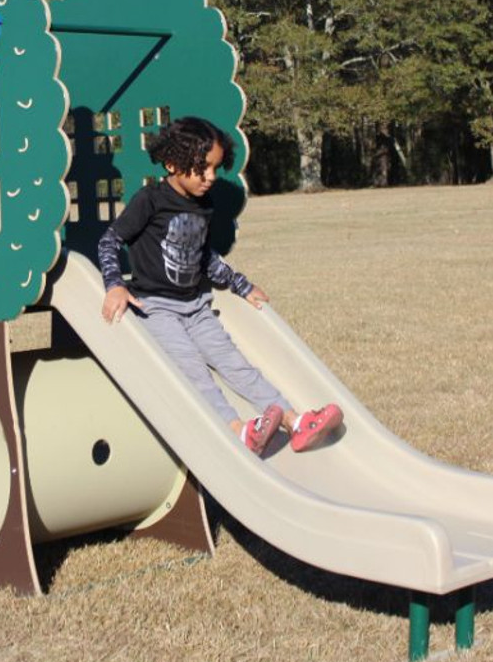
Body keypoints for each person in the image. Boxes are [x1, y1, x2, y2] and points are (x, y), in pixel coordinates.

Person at [98, 116, 342, 455]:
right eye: (202, 169)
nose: (210, 177)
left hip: (196, 306)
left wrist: (242, 285)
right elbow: (110, 241)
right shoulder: (150, 200)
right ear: (172, 163)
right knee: (194, 372)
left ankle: (294, 422)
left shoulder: (203, 205)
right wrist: (114, 285)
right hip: (157, 309)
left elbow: (204, 257)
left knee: (235, 364)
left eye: (214, 168)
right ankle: (238, 431)